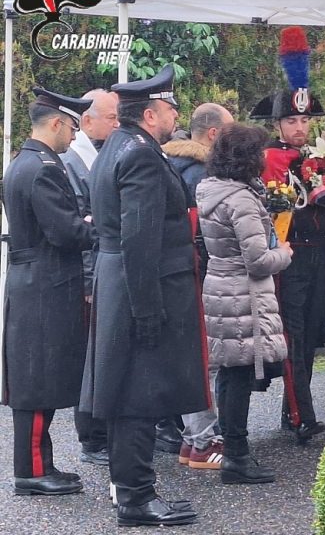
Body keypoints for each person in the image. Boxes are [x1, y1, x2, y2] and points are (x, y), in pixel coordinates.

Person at [80, 65, 209, 527]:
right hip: (140, 287)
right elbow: (139, 238)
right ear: (152, 114)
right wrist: (148, 309)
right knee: (136, 396)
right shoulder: (140, 156)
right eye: (171, 108)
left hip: (122, 283)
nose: (176, 115)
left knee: (125, 394)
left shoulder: (117, 145)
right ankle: (136, 498)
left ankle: (133, 492)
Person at [2, 87, 95, 495]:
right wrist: (96, 225)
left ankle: (42, 464)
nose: (75, 136)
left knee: (36, 374)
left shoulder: (23, 162)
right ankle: (32, 470)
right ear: (56, 122)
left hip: (34, 278)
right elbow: (65, 232)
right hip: (45, 281)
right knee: (36, 378)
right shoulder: (43, 167)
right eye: (73, 127)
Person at [196, 123, 293, 484]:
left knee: (229, 373)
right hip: (242, 293)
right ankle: (237, 457)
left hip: (221, 285)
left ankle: (233, 451)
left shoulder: (211, 190)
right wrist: (283, 253)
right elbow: (257, 260)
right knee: (237, 376)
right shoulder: (240, 199)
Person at [251, 26, 325, 443]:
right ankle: (301, 415)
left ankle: (293, 410)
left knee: (312, 335)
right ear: (278, 123)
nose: (300, 127)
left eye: (305, 120)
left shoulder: (323, 156)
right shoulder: (270, 158)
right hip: (290, 256)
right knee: (294, 336)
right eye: (292, 120)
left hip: (321, 253)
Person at [164, 102, 234, 469]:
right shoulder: (200, 176)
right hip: (198, 274)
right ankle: (202, 441)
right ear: (213, 135)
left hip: (176, 274)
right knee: (203, 361)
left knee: (193, 357)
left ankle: (193, 441)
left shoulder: (170, 165)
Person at [60, 88, 119, 467]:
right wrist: (87, 283)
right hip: (89, 273)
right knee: (89, 357)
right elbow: (81, 228)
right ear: (87, 121)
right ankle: (91, 438)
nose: (116, 124)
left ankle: (102, 433)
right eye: (111, 117)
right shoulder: (72, 161)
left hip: (99, 270)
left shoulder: (94, 154)